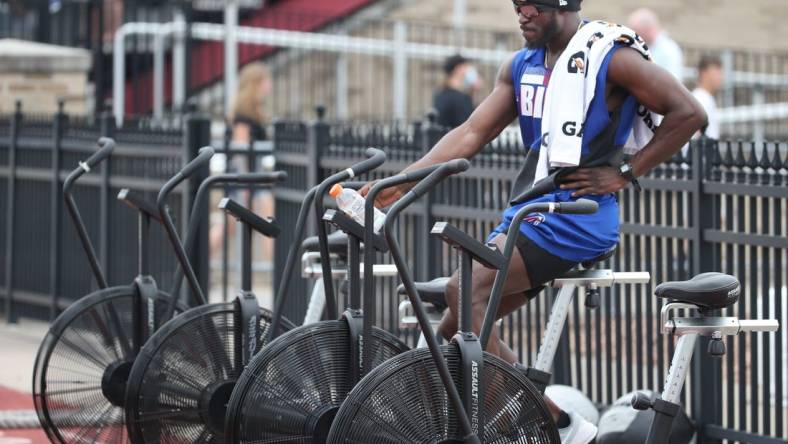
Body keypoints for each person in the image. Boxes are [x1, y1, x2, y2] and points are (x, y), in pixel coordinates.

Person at [361, 1, 706, 443]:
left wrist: (625, 172)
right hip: (531, 210)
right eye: (517, 5)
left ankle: (556, 422)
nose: (522, 14)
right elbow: (470, 133)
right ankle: (500, 420)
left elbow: (689, 112)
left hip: (577, 217)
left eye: (533, 7)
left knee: (464, 291)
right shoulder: (522, 65)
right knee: (453, 335)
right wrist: (392, 188)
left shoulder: (610, 56)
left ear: (562, 8)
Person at [210, 62, 274, 273]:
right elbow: (240, 151)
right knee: (262, 221)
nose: (269, 85)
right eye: (265, 81)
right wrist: (246, 184)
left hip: (249, 179)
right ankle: (278, 270)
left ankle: (194, 260)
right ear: (255, 84)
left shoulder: (250, 112)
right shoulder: (244, 115)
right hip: (246, 179)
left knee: (230, 226)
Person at [627, 8, 684, 81]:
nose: (634, 37)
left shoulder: (669, 50)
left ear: (647, 29)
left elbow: (673, 81)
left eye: (636, 32)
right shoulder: (646, 47)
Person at [433, 54, 482, 128]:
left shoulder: (440, 94)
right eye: (465, 67)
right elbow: (469, 125)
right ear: (458, 69)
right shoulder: (461, 99)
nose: (468, 70)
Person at [692, 55, 724, 139]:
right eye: (716, 73)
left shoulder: (706, 98)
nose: (720, 77)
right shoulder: (700, 98)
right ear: (704, 73)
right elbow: (695, 134)